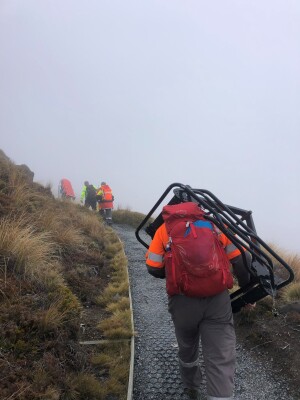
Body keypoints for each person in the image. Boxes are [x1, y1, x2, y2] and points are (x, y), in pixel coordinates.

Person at [145, 202, 252, 400]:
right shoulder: (215, 224)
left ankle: (191, 384)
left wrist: (173, 274)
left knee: (187, 345)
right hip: (217, 299)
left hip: (182, 301)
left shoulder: (163, 229)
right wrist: (246, 292)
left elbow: (152, 266)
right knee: (220, 355)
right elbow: (241, 259)